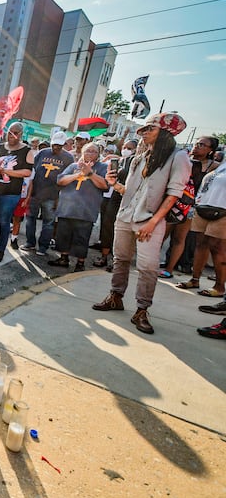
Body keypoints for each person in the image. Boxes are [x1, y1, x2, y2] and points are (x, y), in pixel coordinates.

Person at [93, 113, 192, 334]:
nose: (144, 133)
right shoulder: (141, 155)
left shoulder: (178, 157)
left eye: (150, 129)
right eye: (143, 129)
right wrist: (115, 185)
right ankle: (115, 297)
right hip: (126, 216)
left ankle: (142, 309)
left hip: (150, 221)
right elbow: (133, 192)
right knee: (120, 259)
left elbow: (174, 194)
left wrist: (154, 222)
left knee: (147, 267)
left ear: (166, 133)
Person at [163, 136, 219, 280]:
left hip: (190, 207)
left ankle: (169, 269)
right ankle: (150, 263)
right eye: (196, 143)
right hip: (172, 201)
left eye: (202, 145)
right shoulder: (183, 158)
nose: (197, 146)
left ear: (210, 150)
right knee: (161, 235)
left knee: (179, 238)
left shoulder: (214, 167)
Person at [47, 142, 108, 272]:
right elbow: (61, 180)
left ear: (98, 155)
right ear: (82, 152)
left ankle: (80, 263)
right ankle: (63, 258)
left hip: (86, 211)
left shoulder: (102, 167)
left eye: (94, 151)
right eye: (88, 151)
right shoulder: (74, 166)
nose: (90, 153)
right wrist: (79, 174)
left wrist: (90, 173)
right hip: (67, 208)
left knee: (82, 238)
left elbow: (104, 185)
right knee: (64, 235)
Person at [0, 122, 34, 262]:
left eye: (16, 133)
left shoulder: (26, 151)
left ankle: (1, 250)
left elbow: (27, 172)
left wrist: (6, 171)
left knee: (4, 221)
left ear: (21, 134)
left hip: (11, 193)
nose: (12, 135)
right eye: (10, 132)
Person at [21, 131, 74, 255]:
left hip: (52, 196)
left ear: (64, 144)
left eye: (59, 146)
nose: (56, 148)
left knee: (48, 222)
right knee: (30, 218)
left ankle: (43, 246)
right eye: (54, 144)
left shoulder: (68, 158)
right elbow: (33, 173)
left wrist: (59, 199)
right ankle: (30, 242)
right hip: (36, 193)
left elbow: (68, 180)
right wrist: (29, 193)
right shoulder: (42, 153)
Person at [94, 139, 137, 269]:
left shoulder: (138, 163)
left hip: (129, 199)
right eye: (124, 146)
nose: (126, 149)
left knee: (122, 230)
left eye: (129, 148)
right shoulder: (120, 162)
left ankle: (117, 261)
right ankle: (104, 256)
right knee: (107, 225)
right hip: (115, 196)